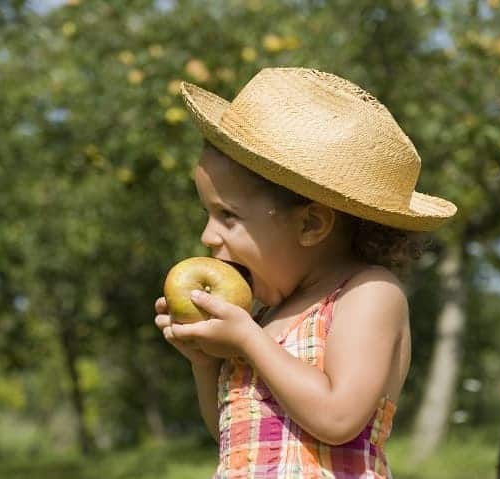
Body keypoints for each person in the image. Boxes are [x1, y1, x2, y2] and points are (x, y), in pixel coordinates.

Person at [153, 67, 457, 478]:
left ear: (311, 224)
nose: (208, 235)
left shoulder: (367, 294)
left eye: (228, 216)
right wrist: (205, 363)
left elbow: (337, 418)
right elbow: (230, 435)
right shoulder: (262, 317)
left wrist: (246, 339)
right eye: (208, 213)